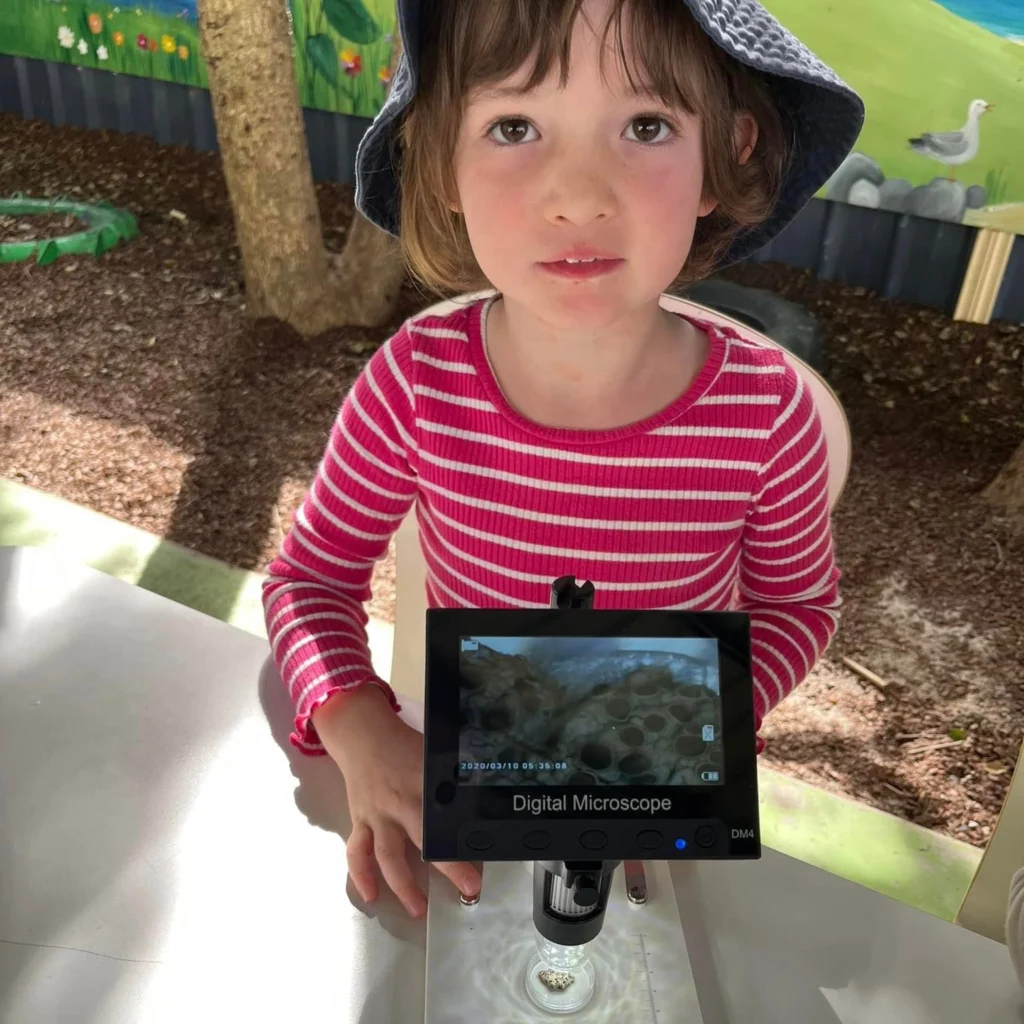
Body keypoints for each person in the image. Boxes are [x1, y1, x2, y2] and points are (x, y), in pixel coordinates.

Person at [262, 0, 864, 919]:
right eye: (514, 126)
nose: (580, 194)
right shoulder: (418, 382)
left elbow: (798, 606)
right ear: (442, 162)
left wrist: (682, 737)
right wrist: (361, 731)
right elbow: (307, 580)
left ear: (727, 154)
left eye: (647, 125)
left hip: (659, 810)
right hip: (456, 795)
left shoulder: (766, 413)